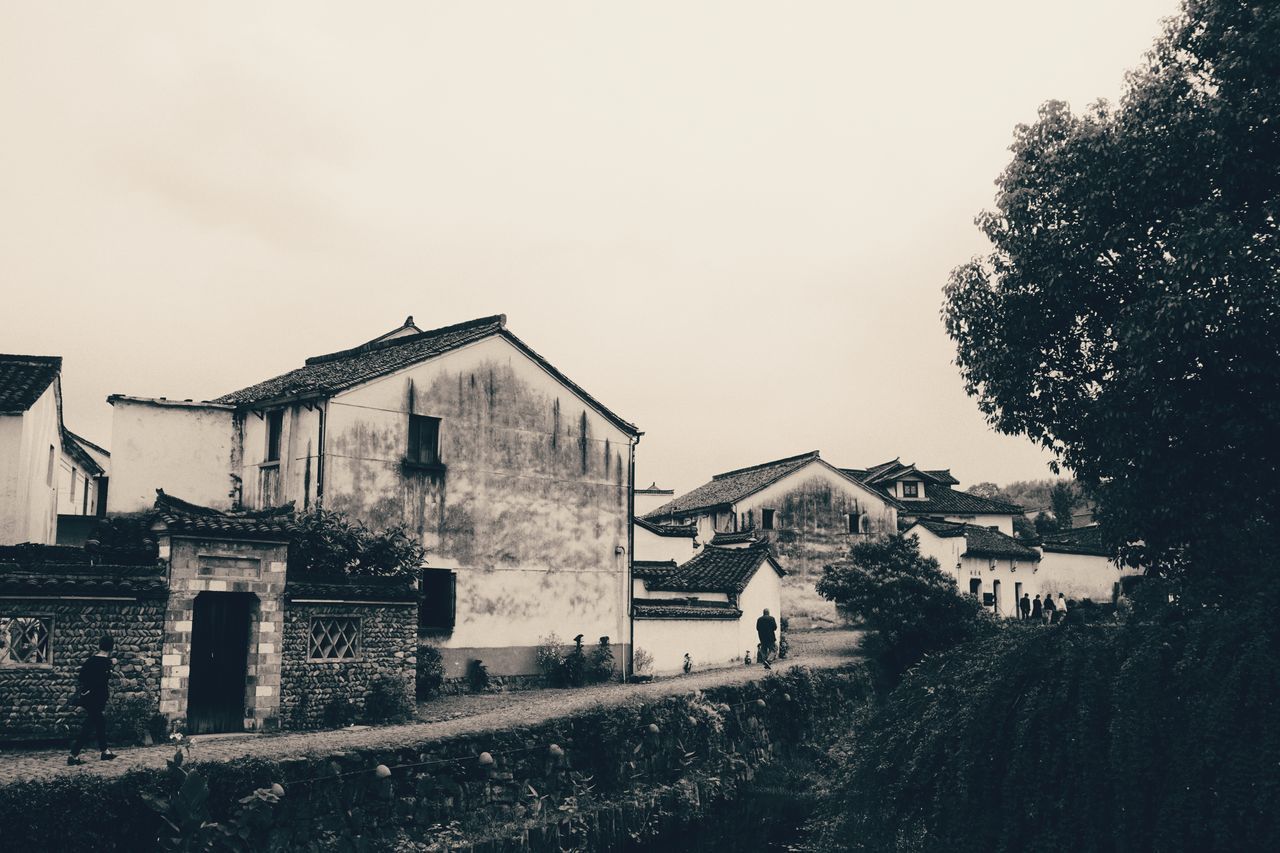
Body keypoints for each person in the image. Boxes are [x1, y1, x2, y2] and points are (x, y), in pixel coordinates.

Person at [68, 635, 116, 765]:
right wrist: (111, 666)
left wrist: (88, 688)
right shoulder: (107, 663)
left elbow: (81, 677)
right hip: (97, 698)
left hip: (88, 698)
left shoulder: (90, 661)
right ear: (112, 647)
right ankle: (73, 755)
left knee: (100, 722)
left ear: (99, 645)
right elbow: (102, 681)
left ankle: (105, 751)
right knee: (88, 726)